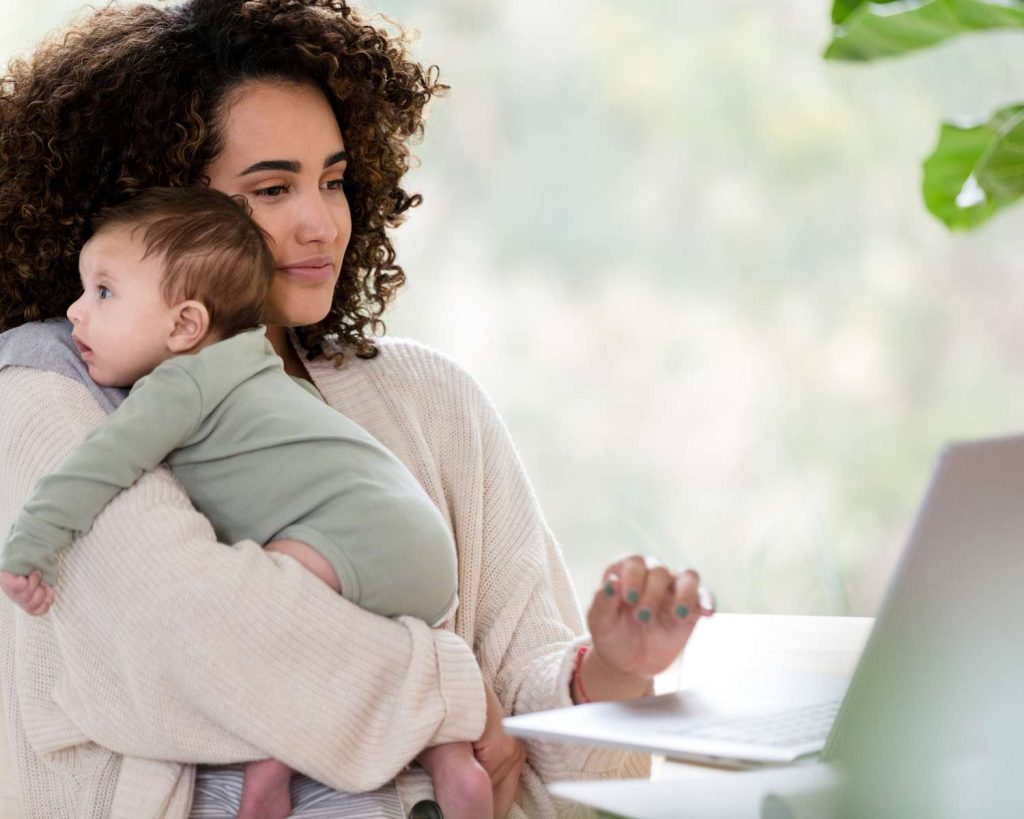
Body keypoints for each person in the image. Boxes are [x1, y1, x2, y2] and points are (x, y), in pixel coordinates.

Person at [0, 1, 715, 816]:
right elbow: (212, 640)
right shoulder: (46, 391)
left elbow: (537, 747)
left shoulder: (432, 398)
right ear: (161, 216)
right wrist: (453, 684)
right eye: (272, 188)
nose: (321, 222)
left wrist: (613, 677)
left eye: (333, 180)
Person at [0, 185, 496, 819]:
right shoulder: (263, 370)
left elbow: (98, 466)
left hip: (352, 535)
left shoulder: (179, 384)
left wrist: (30, 545)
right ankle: (453, 762)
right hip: (420, 547)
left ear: (185, 324)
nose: (74, 313)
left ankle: (269, 773)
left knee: (278, 632)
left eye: (103, 292)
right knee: (341, 639)